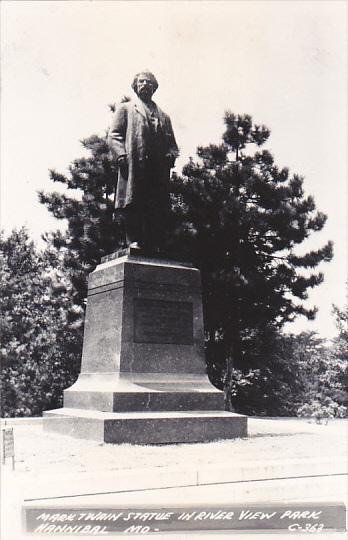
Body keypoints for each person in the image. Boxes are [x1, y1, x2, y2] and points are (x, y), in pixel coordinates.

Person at [108, 71, 179, 251]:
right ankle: (133, 239)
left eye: (149, 82)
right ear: (135, 85)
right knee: (133, 202)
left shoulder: (164, 116)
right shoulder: (126, 109)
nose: (145, 84)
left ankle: (153, 242)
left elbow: (172, 144)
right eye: (141, 81)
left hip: (157, 169)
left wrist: (171, 154)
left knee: (155, 205)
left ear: (154, 87)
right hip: (134, 164)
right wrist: (121, 154)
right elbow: (114, 135)